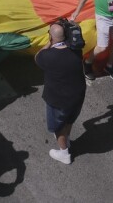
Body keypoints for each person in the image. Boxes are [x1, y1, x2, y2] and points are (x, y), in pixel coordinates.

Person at [35, 21, 86, 164]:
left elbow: (37, 57)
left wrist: (48, 43)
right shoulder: (76, 50)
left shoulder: (48, 56)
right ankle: (67, 140)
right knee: (69, 119)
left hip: (58, 101)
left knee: (57, 127)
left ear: (51, 37)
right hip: (77, 95)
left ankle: (64, 153)